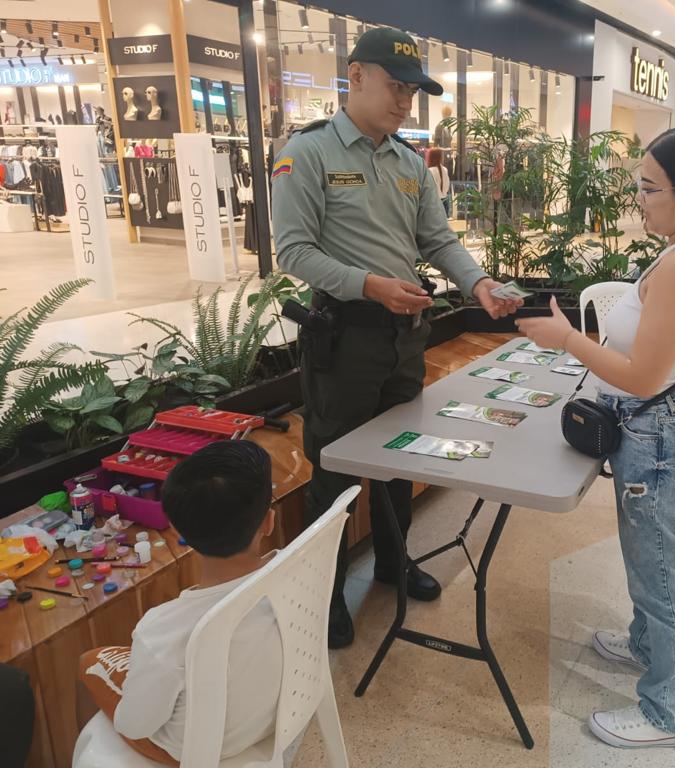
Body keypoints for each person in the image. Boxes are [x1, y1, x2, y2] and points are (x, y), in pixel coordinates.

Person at [271, 26, 521, 649]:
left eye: (413, 91)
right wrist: (371, 285)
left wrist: (478, 283)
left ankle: (391, 562)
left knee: (401, 457)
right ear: (355, 76)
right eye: (395, 86)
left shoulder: (411, 163)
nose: (406, 100)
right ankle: (323, 593)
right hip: (344, 339)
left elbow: (436, 239)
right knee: (333, 473)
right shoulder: (308, 154)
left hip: (405, 337)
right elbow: (293, 251)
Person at [518, 123, 675, 750]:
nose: (637, 198)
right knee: (650, 558)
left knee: (666, 573)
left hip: (666, 434)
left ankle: (666, 713)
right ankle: (645, 647)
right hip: (665, 430)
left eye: (648, 188)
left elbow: (642, 377)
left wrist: (566, 339)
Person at [75, 441, 283, 764]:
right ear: (268, 522)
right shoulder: (295, 572)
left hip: (191, 750)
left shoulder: (161, 631)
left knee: (90, 661)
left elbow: (134, 724)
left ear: (176, 529)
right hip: (268, 722)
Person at [426, 147, 452, 218]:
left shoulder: (430, 170)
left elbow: (428, 189)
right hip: (445, 201)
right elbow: (447, 185)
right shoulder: (445, 169)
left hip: (434, 203)